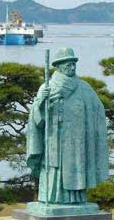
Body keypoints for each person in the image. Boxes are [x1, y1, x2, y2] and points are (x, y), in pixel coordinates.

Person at [26, 47, 109, 205]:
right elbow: (37, 120)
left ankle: (76, 200)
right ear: (58, 66)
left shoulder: (84, 87)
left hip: (77, 141)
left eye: (73, 64)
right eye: (68, 64)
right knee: (54, 170)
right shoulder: (47, 88)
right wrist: (42, 103)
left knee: (76, 167)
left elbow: (97, 110)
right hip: (54, 141)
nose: (72, 67)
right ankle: (52, 198)